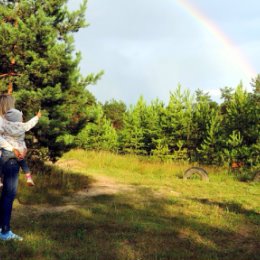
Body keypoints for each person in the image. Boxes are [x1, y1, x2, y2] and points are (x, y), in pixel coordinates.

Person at [0, 94, 26, 241]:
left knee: (6, 195)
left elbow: (18, 137)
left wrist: (24, 148)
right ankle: (5, 232)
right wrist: (13, 149)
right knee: (9, 195)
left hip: (10, 158)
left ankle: (2, 228)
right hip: (9, 159)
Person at [0, 108, 41, 188]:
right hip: (19, 150)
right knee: (23, 164)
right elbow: (30, 124)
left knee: (0, 164)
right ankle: (29, 178)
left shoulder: (5, 124)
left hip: (7, 150)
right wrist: (37, 117)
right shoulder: (22, 126)